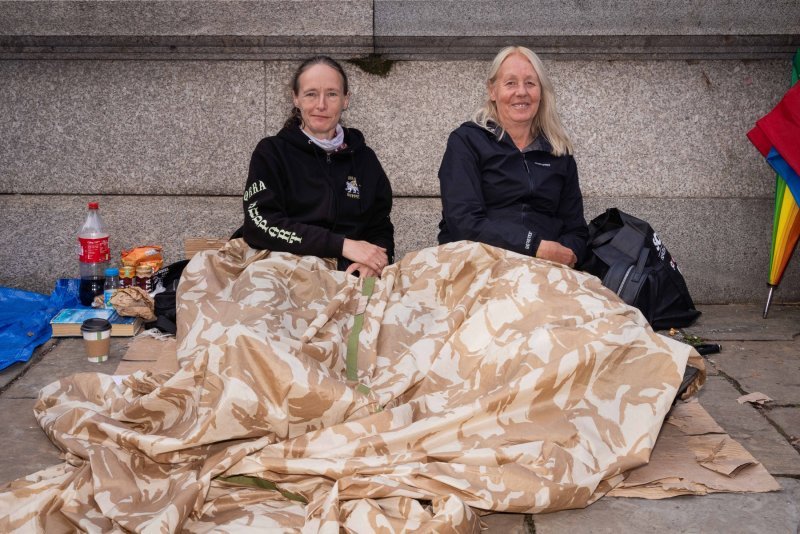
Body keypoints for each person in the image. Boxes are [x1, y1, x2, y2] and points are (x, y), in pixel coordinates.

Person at [237, 56, 394, 278]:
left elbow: (380, 226)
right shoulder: (272, 152)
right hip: (281, 269)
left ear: (345, 100)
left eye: (332, 94)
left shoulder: (364, 159)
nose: (321, 105)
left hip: (349, 272)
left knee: (383, 307)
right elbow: (260, 224)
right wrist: (342, 245)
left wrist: (375, 261)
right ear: (296, 98)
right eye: (311, 94)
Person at [437, 46, 588, 268]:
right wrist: (534, 247)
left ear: (541, 92)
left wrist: (567, 253)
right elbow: (464, 221)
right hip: (479, 263)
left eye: (530, 83)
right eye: (510, 83)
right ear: (492, 91)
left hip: (548, 270)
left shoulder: (558, 151)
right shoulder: (467, 141)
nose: (521, 92)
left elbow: (576, 229)